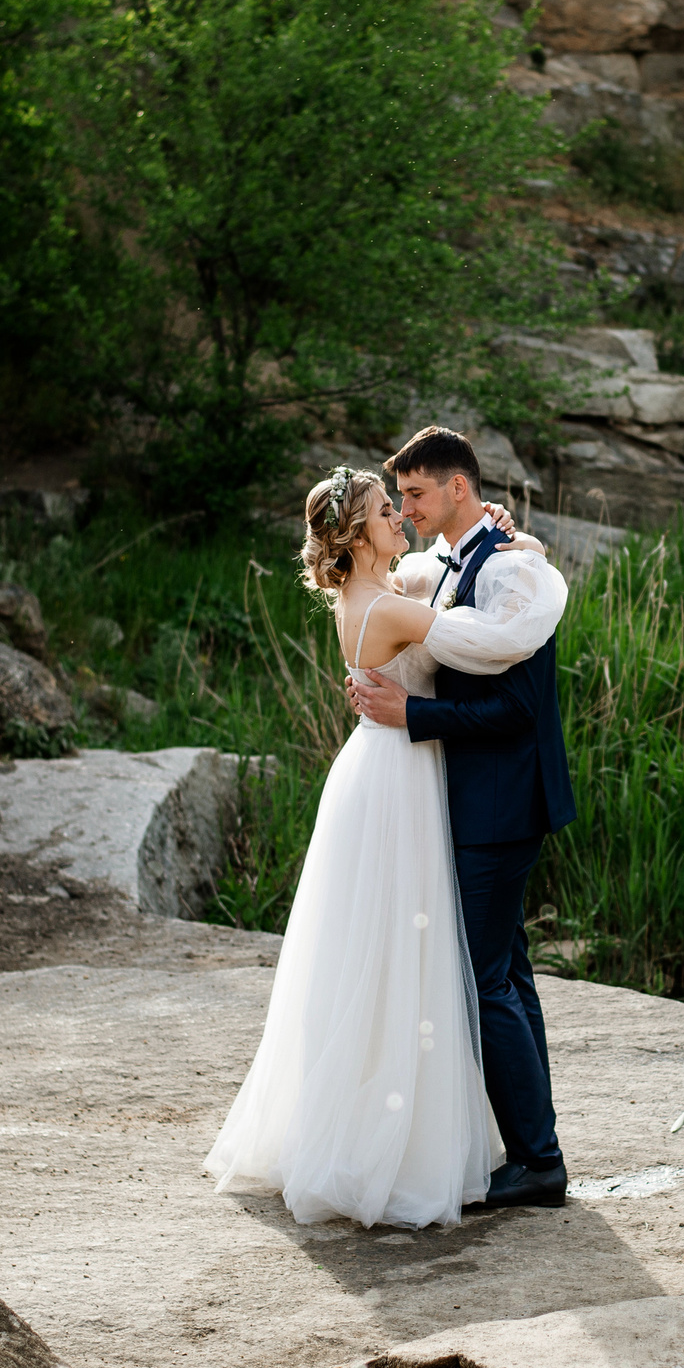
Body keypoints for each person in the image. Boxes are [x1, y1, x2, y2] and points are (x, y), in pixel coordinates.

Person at [201, 463, 557, 1228]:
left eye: (402, 504)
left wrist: (490, 540)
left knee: (384, 949)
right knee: (411, 953)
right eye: (385, 510)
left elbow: (435, 573)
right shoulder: (388, 612)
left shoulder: (369, 596)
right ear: (360, 533)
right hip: (400, 772)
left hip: (379, 765)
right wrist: (536, 575)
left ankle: (392, 1131)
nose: (400, 516)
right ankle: (415, 1148)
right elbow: (490, 638)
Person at [348, 426, 576, 1212]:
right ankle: (536, 1148)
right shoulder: (455, 562)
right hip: (485, 798)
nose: (407, 509)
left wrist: (412, 712)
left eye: (415, 494)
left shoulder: (509, 570)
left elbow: (515, 706)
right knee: (507, 970)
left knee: (485, 981)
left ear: (457, 488)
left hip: (500, 800)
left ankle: (539, 1162)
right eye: (399, 497)